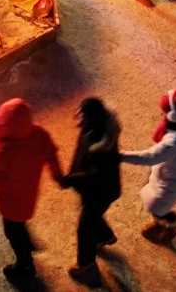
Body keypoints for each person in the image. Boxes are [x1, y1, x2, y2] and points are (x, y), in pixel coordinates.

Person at [0, 98, 63, 281]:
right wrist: (57, 176)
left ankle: (25, 264)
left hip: (11, 201)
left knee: (13, 232)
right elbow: (52, 155)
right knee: (19, 224)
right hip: (29, 195)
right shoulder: (39, 134)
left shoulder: (5, 150)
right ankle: (26, 244)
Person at [121, 89, 176, 242]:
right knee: (154, 198)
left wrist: (121, 155)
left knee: (157, 206)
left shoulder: (174, 142)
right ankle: (159, 221)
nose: (162, 115)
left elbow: (150, 157)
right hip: (168, 170)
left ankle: (173, 223)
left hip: (172, 179)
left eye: (164, 112)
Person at [61, 97, 121, 287]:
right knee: (92, 215)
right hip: (95, 190)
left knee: (85, 228)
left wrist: (72, 179)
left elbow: (94, 176)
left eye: (84, 115)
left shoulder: (101, 145)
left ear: (92, 118)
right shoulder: (93, 128)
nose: (80, 117)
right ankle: (104, 236)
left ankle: (86, 267)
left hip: (100, 191)